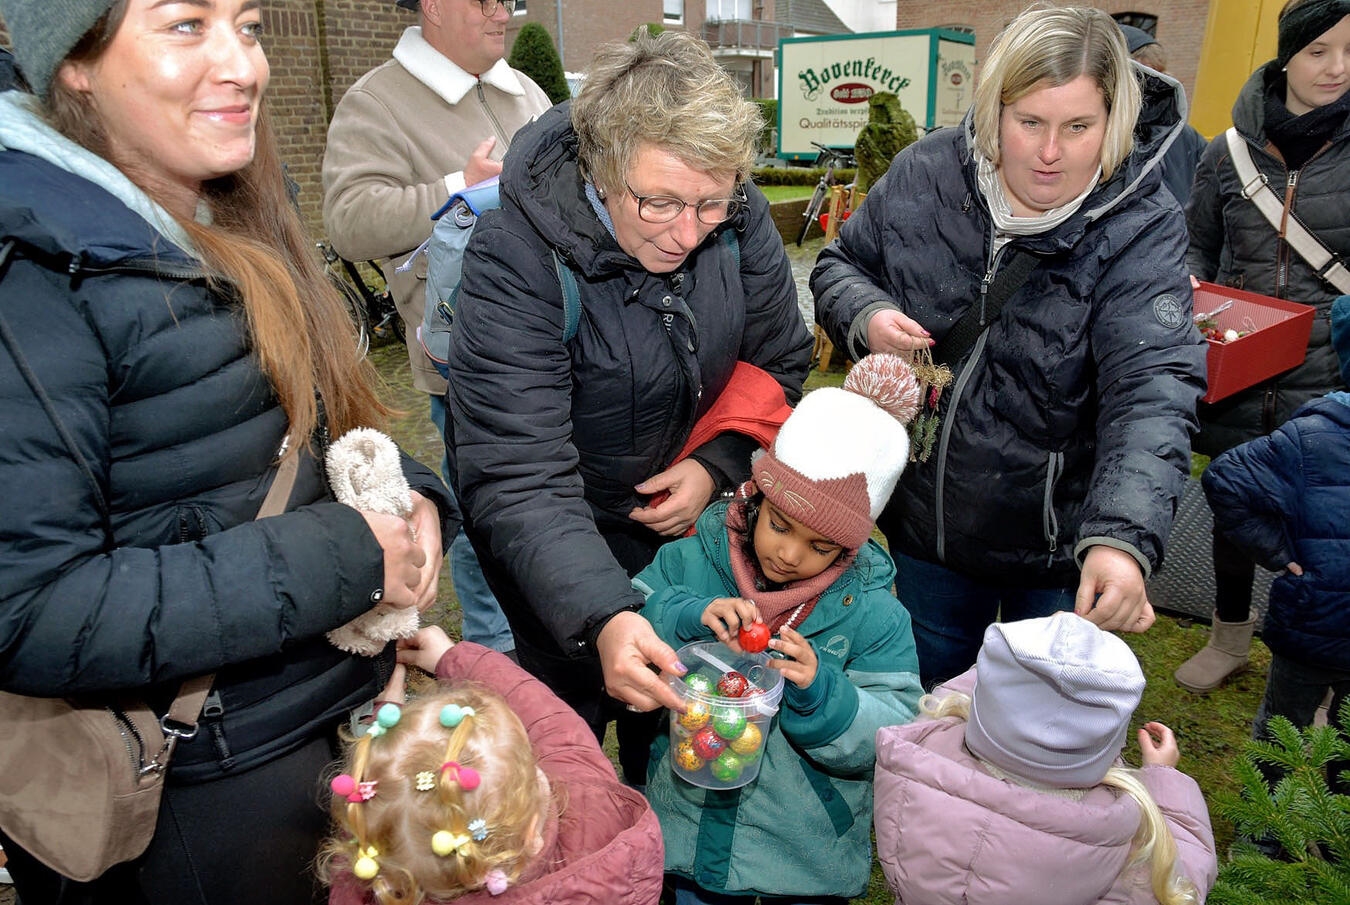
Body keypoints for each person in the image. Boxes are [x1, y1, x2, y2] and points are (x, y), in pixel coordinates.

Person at [0, 1, 454, 902]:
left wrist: (410, 493)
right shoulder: (39, 275)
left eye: (246, 24)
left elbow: (286, 437)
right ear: (75, 63)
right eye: (185, 24)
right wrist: (348, 555)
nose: (243, 65)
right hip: (189, 795)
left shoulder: (223, 209)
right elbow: (30, 607)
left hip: (313, 729)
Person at [443, 29, 813, 782]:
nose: (688, 232)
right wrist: (604, 614)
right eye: (659, 203)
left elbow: (779, 362)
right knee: (566, 745)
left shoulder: (736, 217)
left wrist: (716, 466)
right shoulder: (517, 254)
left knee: (677, 734)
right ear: (601, 169)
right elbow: (517, 473)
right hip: (555, 545)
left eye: (710, 203)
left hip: (684, 540)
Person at [811, 4, 1207, 689]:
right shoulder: (926, 172)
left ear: (1113, 121)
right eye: (1029, 122)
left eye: (1078, 127)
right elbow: (840, 265)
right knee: (923, 704)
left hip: (1053, 551)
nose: (1050, 152)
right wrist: (868, 316)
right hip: (926, 531)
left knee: (1031, 723)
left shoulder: (1141, 225)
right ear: (995, 107)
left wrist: (1121, 538)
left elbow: (1152, 392)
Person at [633, 354, 924, 903]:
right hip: (687, 831)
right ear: (755, 497)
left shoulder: (874, 615)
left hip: (803, 858)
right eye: (779, 525)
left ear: (850, 548)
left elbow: (894, 732)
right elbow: (631, 620)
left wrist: (822, 693)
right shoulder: (689, 562)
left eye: (821, 546)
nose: (789, 555)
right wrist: (687, 615)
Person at [323, 0, 552, 659]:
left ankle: (551, 635)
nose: (501, 12)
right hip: (466, 360)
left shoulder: (526, 91)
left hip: (556, 344)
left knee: (551, 499)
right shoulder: (377, 102)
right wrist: (458, 186)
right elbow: (347, 219)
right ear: (432, 5)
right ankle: (493, 653)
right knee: (485, 514)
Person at [1176, 0, 1350, 693]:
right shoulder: (1228, 152)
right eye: (1318, 51)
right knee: (1235, 500)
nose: (1337, 68)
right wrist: (1193, 287)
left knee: (1328, 522)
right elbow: (1196, 242)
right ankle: (1229, 635)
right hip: (1243, 366)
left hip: (1330, 373)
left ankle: (1311, 661)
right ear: (1286, 56)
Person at [873, 612, 1218, 905]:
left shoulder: (917, 758)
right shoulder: (1120, 845)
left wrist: (1013, 662)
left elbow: (956, 697)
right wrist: (1163, 778)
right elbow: (1182, 880)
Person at [319, 626, 663, 905]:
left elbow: (370, 832)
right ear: (531, 834)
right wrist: (453, 658)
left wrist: (382, 726)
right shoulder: (594, 823)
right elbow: (552, 725)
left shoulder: (376, 887)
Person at [1199, 295, 1350, 777]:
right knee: (1283, 732)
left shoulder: (1310, 434)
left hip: (1312, 621)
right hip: (1311, 628)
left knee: (1323, 745)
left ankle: (1317, 820)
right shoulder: (1312, 438)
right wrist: (1279, 551)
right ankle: (1266, 816)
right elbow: (1226, 480)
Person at [1119, 24, 1209, 205]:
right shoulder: (1108, 136)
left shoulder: (1185, 136)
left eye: (1158, 77)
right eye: (1144, 77)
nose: (1153, 88)